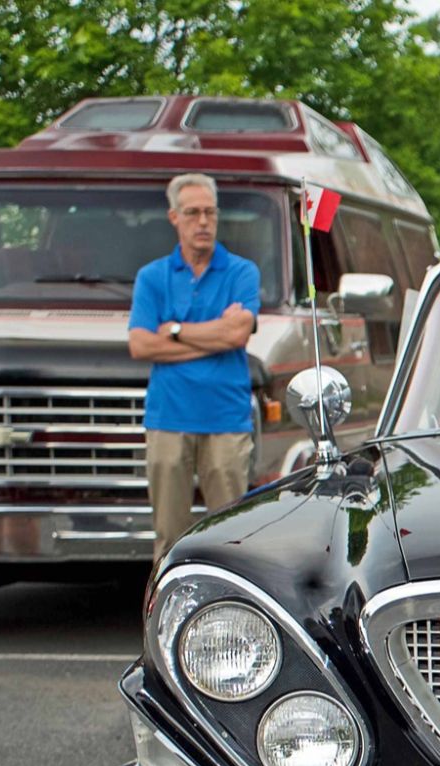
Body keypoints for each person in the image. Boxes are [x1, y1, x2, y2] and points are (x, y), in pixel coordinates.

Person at [127, 172, 259, 561]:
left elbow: (238, 335)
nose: (203, 222)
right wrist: (215, 337)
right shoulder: (152, 276)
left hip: (226, 418)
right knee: (169, 537)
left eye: (210, 212)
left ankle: (233, 599)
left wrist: (175, 331)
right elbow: (139, 344)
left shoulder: (242, 271)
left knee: (232, 536)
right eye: (192, 213)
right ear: (174, 217)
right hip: (168, 418)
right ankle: (168, 601)